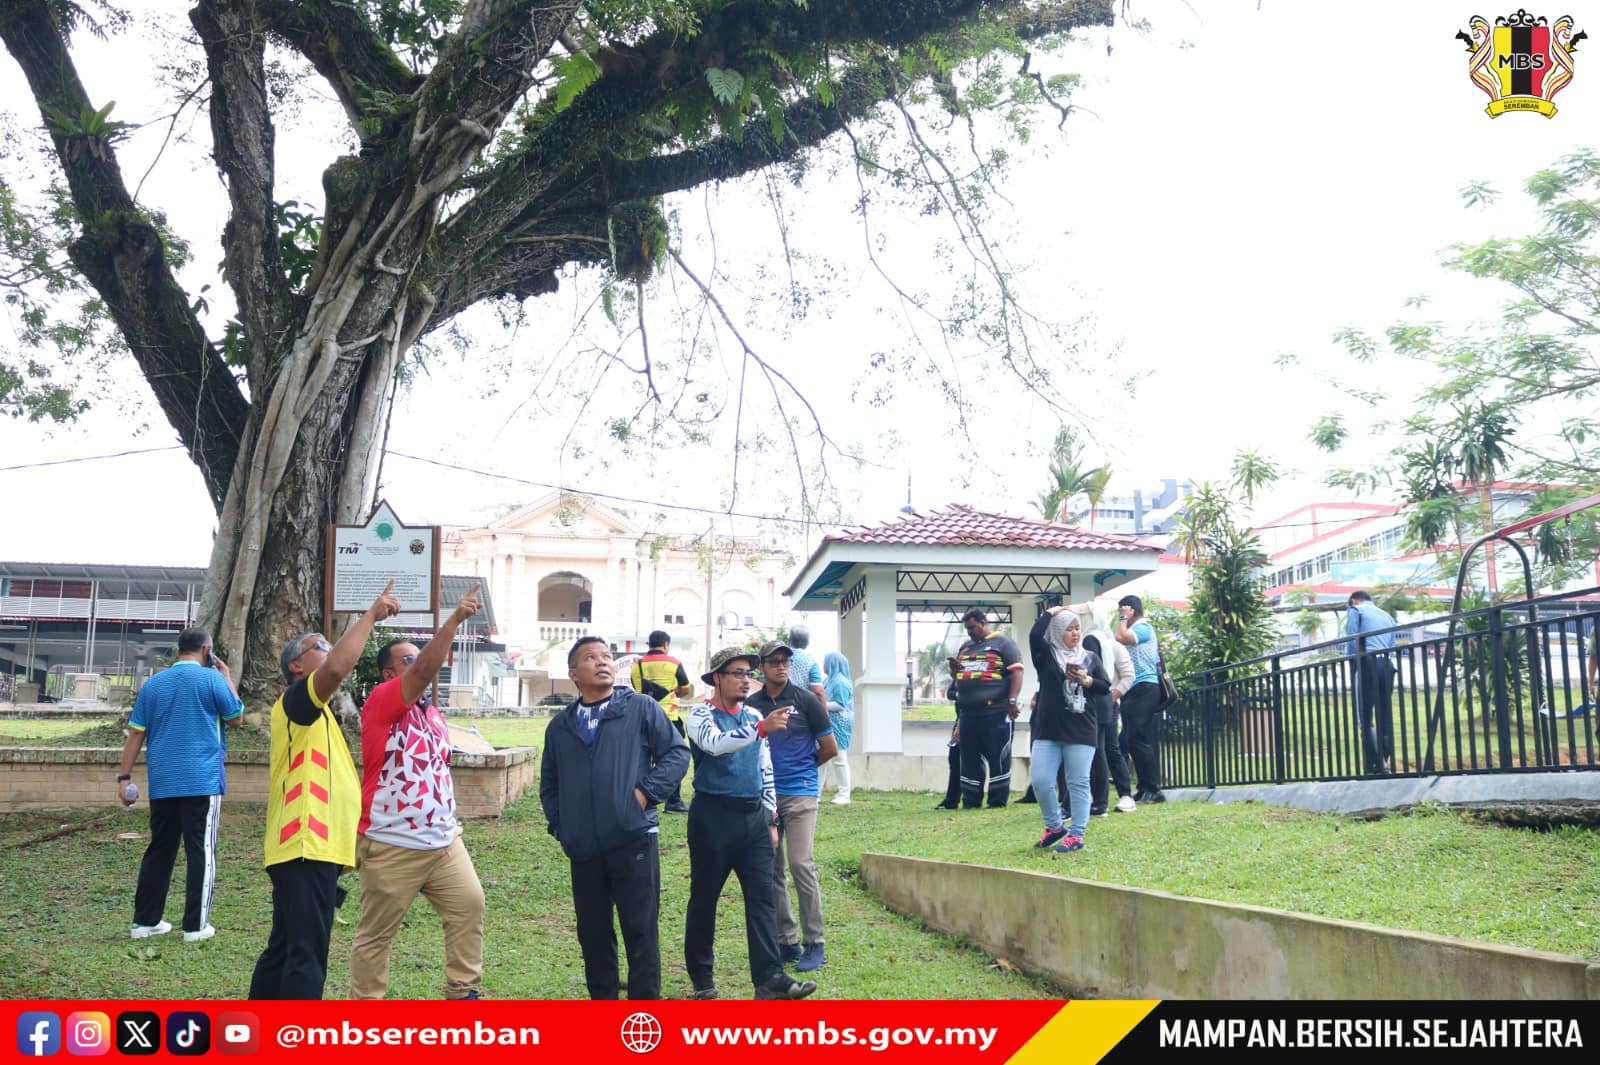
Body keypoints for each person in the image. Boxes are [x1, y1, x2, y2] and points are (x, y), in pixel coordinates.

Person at [249, 582, 401, 1000]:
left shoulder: (320, 717)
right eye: (320, 644)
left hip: (314, 848)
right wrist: (369, 617)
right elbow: (335, 669)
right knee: (306, 955)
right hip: (304, 843)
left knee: (285, 949)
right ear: (298, 666)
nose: (330, 648)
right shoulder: (299, 702)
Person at [349, 585, 487, 1000]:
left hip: (445, 842)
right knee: (376, 936)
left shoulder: (432, 714)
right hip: (392, 844)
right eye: (407, 660)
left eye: (417, 657)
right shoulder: (380, 702)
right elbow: (425, 670)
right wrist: (454, 621)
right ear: (390, 674)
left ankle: (464, 993)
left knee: (469, 906)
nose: (420, 664)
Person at [541, 636, 689, 1000]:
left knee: (640, 931)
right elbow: (550, 785)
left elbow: (675, 754)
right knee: (592, 933)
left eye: (607, 656)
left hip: (633, 838)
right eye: (591, 658)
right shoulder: (560, 726)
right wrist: (563, 826)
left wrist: (642, 796)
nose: (603, 662)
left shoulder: (639, 707)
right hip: (584, 847)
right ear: (574, 673)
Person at [682, 647, 817, 1000]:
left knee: (762, 899)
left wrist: (771, 818)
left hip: (753, 817)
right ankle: (702, 978)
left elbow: (765, 768)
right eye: (737, 673)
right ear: (717, 678)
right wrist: (759, 728)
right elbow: (715, 745)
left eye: (747, 674)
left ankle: (769, 978)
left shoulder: (754, 714)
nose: (745, 680)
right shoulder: (701, 715)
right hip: (713, 816)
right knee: (704, 899)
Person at [117, 627, 243, 942]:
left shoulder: (154, 684)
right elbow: (236, 716)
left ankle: (145, 922)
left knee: (160, 849)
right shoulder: (212, 679)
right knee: (201, 851)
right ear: (207, 650)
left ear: (179, 650)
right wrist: (226, 676)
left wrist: (124, 778)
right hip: (202, 781)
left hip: (163, 782)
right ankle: (196, 927)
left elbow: (135, 734)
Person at [745, 640, 836, 973]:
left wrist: (802, 771)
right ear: (762, 667)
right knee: (772, 869)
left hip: (800, 794)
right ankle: (787, 941)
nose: (781, 666)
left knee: (801, 864)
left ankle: (816, 943)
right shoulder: (752, 703)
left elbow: (829, 747)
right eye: (774, 661)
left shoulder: (807, 700)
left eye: (785, 661)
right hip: (764, 796)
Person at [1026, 607, 1107, 853]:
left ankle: (1077, 834)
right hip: (1048, 729)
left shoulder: (1090, 657)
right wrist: (1050, 612)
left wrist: (1088, 681)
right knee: (1040, 780)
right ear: (1058, 631)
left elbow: (1104, 686)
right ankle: (1054, 827)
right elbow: (1034, 635)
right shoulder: (1045, 655)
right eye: (1069, 629)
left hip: (1081, 728)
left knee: (1078, 782)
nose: (1075, 633)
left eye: (1077, 628)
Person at [951, 608, 1024, 808]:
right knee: (969, 757)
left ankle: (997, 799)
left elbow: (1017, 672)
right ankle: (971, 799)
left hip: (995, 711)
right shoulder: (965, 647)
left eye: (973, 627)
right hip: (968, 713)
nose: (970, 632)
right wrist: (954, 673)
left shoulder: (1004, 644)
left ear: (984, 623)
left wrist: (1012, 700)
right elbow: (959, 679)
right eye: (967, 628)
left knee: (997, 754)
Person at [1078, 604, 1137, 815]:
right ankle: (1105, 798)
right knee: (1104, 749)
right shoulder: (1094, 642)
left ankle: (1123, 795)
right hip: (1102, 702)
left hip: (1106, 702)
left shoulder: (1108, 644)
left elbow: (1129, 675)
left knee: (1106, 750)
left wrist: (1113, 695)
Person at [630, 630, 695, 814]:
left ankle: (639, 796)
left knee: (642, 759)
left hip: (643, 717)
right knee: (672, 758)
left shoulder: (638, 665)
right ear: (666, 644)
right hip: (669, 717)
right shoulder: (673, 663)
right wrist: (673, 690)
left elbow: (638, 689)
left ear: (649, 644)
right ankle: (673, 802)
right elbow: (685, 689)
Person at [1114, 594, 1166, 804]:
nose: (1120, 616)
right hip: (1133, 689)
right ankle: (1144, 787)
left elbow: (1121, 638)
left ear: (1130, 610)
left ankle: (1154, 789)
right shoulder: (1134, 629)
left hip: (1145, 688)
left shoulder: (1143, 628)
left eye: (1122, 611)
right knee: (1133, 740)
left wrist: (1122, 619)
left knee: (1140, 739)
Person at [1346, 589, 1397, 775]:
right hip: (1387, 664)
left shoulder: (1356, 610)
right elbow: (1392, 644)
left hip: (1367, 663)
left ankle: (1377, 766)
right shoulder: (1387, 615)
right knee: (1384, 715)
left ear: (1353, 600)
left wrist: (1352, 664)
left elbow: (1352, 639)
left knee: (1365, 719)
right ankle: (1386, 761)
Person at [819, 652, 854, 805]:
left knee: (840, 759)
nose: (823, 666)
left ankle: (844, 794)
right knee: (822, 759)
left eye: (825, 662)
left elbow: (840, 704)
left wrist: (820, 706)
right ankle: (816, 792)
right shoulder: (828, 680)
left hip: (839, 725)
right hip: (828, 723)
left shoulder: (840, 682)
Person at [783, 625, 827, 702]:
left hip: (779, 704)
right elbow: (818, 691)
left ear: (790, 640)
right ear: (807, 642)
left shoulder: (781, 657)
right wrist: (825, 712)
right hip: (801, 705)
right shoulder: (811, 661)